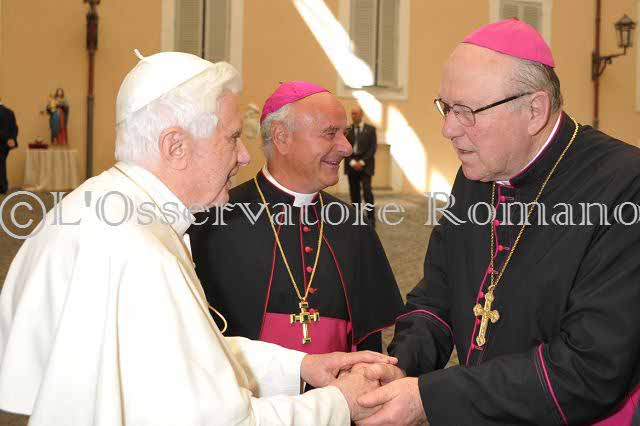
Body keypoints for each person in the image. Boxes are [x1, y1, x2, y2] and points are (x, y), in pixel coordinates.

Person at [0, 52, 396, 425]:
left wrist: (301, 366)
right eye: (232, 138)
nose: (244, 156)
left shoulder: (94, 207)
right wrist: (339, 402)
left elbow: (187, 355)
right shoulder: (138, 252)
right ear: (175, 146)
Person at [352, 19, 640, 425]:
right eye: (446, 107)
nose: (448, 128)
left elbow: (591, 368)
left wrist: (429, 399)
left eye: (466, 112)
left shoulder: (625, 185)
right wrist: (400, 366)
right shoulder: (479, 172)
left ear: (535, 110)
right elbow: (437, 295)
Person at [189, 81, 403, 359]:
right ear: (282, 137)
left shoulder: (353, 224)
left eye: (345, 134)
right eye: (330, 133)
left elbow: (368, 339)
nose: (347, 147)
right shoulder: (214, 221)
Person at [345, 106, 377, 225]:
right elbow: (344, 147)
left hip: (366, 165)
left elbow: (372, 148)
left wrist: (362, 162)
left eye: (356, 113)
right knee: (354, 192)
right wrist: (352, 162)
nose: (354, 116)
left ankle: (371, 218)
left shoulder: (371, 130)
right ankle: (357, 218)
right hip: (351, 165)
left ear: (361, 114)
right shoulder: (348, 130)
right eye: (352, 114)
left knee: (367, 191)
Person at [0, 100, 18, 194]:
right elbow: (15, 128)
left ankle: (2, 186)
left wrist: (7, 139)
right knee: (2, 163)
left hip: (2, 141)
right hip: (6, 144)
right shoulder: (9, 112)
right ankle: (3, 186)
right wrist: (12, 139)